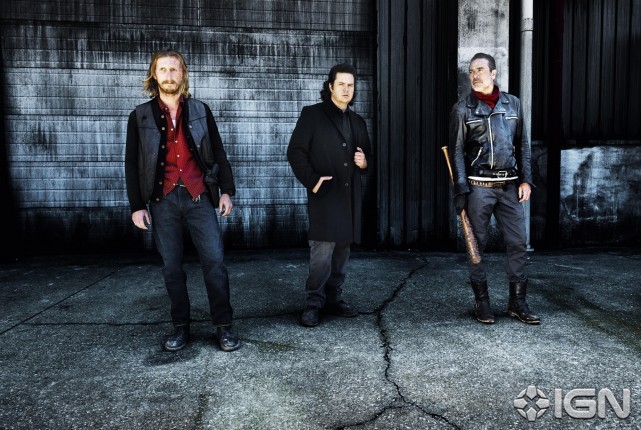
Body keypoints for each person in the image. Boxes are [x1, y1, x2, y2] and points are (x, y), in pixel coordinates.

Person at [125, 49, 241, 351]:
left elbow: (218, 152)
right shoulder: (139, 115)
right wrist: (137, 206)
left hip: (198, 196)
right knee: (172, 267)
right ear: (154, 75)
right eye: (163, 69)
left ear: (183, 74)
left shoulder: (201, 110)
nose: (169, 75)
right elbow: (132, 163)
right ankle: (180, 327)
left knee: (214, 261)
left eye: (174, 69)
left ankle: (223, 326)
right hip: (162, 201)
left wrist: (226, 190)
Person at [448, 52, 540, 325]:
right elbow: (456, 152)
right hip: (478, 187)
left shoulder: (513, 104)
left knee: (518, 242)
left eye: (480, 70)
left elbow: (522, 144)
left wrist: (526, 180)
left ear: (493, 73)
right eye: (471, 71)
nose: (474, 75)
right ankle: (483, 303)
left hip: (509, 186)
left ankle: (517, 303)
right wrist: (461, 191)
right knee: (476, 247)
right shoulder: (462, 109)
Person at [287, 63, 372, 327]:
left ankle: (334, 298)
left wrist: (364, 163)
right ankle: (314, 302)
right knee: (322, 252)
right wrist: (313, 181)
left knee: (342, 250)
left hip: (349, 199)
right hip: (325, 194)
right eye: (341, 84)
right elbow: (295, 152)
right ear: (330, 86)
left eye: (351, 85)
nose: (346, 89)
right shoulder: (312, 115)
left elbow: (367, 157)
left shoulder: (358, 122)